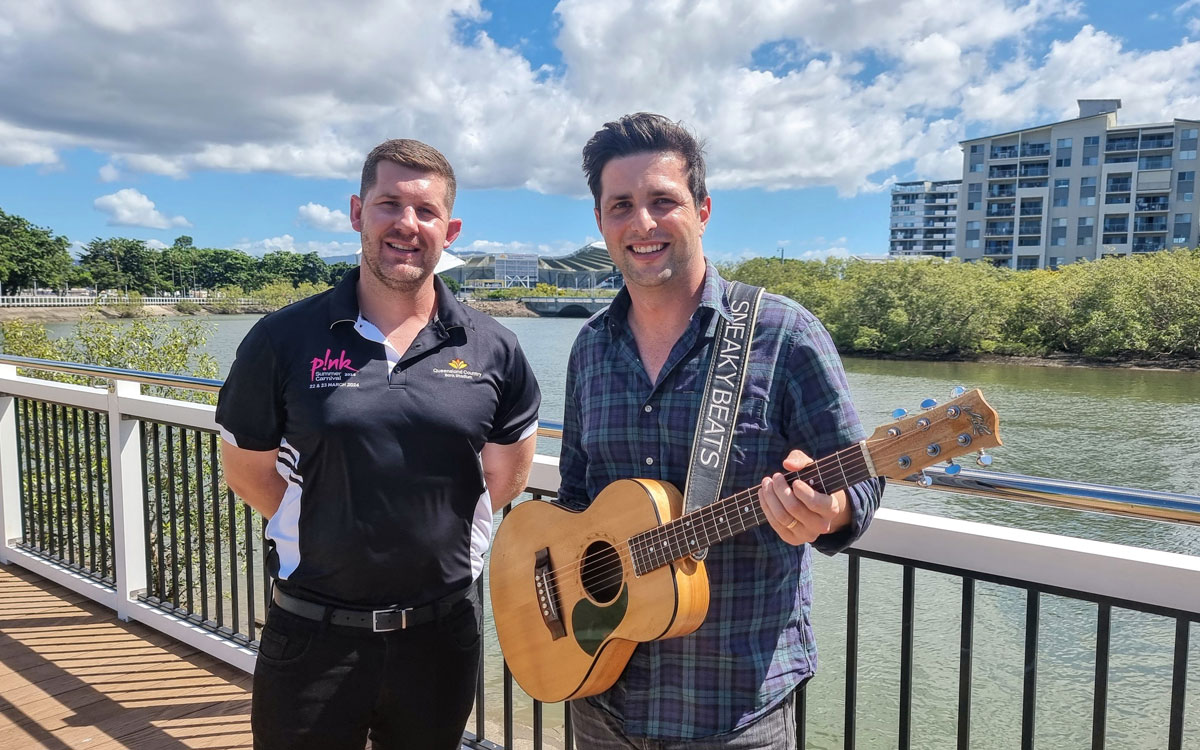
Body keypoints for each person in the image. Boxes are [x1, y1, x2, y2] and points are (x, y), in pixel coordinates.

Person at [556, 113, 884, 748]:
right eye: (621, 205)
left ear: (702, 209)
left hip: (733, 706)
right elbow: (574, 492)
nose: (642, 223)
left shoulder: (785, 335)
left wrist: (831, 510)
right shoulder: (590, 348)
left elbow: (862, 481)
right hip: (601, 690)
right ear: (601, 222)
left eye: (663, 201)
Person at [216, 138, 540, 750]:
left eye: (426, 211)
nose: (406, 224)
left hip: (440, 636)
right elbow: (249, 472)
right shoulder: (283, 338)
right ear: (356, 211)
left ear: (451, 228)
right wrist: (328, 520)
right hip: (312, 632)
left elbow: (503, 478)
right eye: (389, 203)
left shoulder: (493, 346)